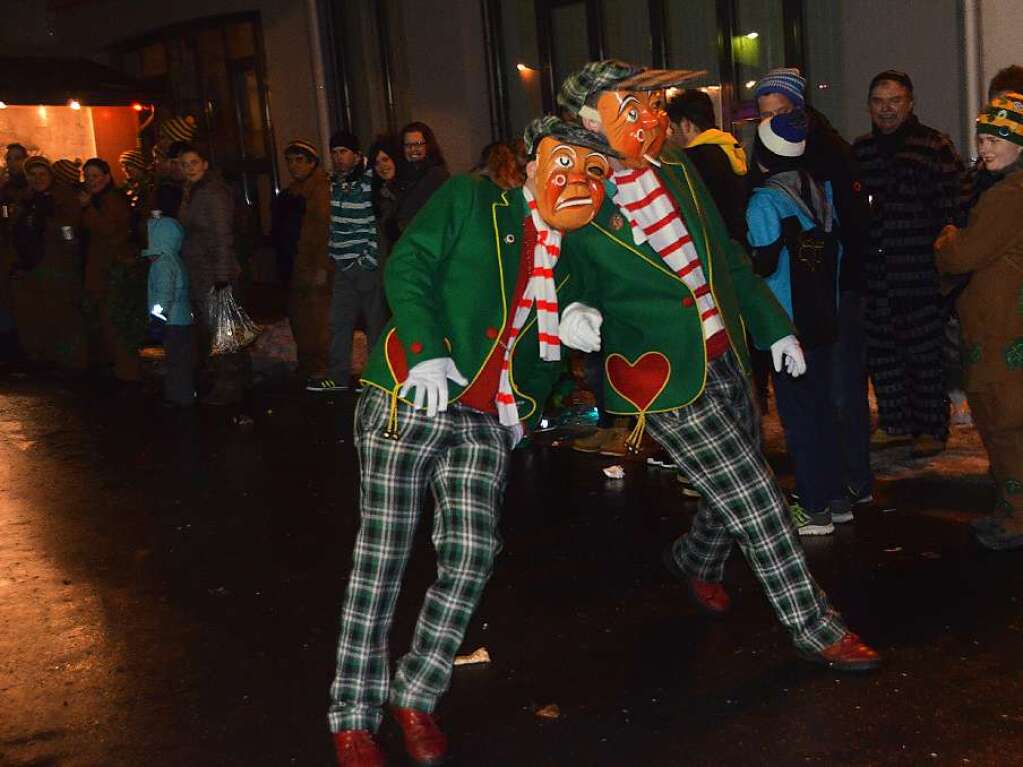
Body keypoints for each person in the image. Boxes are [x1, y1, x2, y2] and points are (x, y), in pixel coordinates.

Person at [556, 59, 881, 671]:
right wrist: (572, 303)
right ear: (588, 117)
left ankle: (693, 560)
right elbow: (557, 260)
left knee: (737, 476)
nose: (647, 110)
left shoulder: (676, 165)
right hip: (659, 370)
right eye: (630, 99)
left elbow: (727, 255)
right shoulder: (573, 184)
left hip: (722, 347)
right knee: (757, 495)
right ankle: (815, 626)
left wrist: (772, 327)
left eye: (648, 98)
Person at [328, 116, 617, 767]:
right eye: (565, 164)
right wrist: (426, 349)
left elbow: (539, 356)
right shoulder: (470, 199)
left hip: (485, 417)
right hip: (412, 391)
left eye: (592, 172)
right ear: (535, 162)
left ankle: (415, 693)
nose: (577, 180)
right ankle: (351, 715)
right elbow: (408, 263)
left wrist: (558, 340)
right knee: (383, 554)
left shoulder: (568, 254)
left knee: (472, 553)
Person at [755, 66, 874, 506]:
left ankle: (842, 486)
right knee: (823, 398)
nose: (771, 121)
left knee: (832, 397)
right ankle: (833, 490)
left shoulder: (827, 157)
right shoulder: (797, 166)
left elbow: (851, 228)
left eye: (779, 111)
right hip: (812, 298)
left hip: (833, 294)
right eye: (764, 114)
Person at [853, 70, 965, 457]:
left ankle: (931, 428)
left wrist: (944, 266)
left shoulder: (934, 146)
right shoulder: (861, 150)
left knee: (925, 357)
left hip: (919, 274)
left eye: (895, 101)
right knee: (883, 354)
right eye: (879, 101)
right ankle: (895, 422)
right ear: (869, 106)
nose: (886, 109)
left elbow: (955, 206)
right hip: (876, 273)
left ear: (910, 103)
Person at [746, 111, 847, 535]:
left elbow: (763, 263)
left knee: (799, 418)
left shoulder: (765, 199)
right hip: (825, 316)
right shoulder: (821, 189)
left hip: (785, 325)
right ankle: (837, 498)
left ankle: (813, 506)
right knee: (824, 410)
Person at [935, 93, 1023, 550]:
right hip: (1005, 329)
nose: (984, 149)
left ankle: (1016, 519)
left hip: (1002, 335)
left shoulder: (1008, 196)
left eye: (994, 140)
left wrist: (947, 238)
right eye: (982, 139)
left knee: (1005, 426)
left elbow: (962, 254)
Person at [307, 131, 386, 393]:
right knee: (339, 322)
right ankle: (338, 375)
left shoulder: (369, 180)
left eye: (343, 152)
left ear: (356, 154)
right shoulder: (336, 183)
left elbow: (375, 225)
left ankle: (376, 379)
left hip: (365, 266)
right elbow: (336, 225)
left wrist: (367, 260)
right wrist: (334, 255)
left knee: (375, 324)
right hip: (343, 266)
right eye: (334, 152)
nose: (338, 157)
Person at [177, 144, 247, 406]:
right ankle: (227, 382)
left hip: (213, 272)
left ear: (205, 164)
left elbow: (221, 236)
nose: (189, 168)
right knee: (217, 330)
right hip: (201, 270)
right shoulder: (192, 192)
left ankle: (230, 386)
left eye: (194, 162)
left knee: (222, 332)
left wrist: (221, 276)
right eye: (185, 164)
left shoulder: (212, 193)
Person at [10, 156, 87, 370]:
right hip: (32, 266)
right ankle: (47, 359)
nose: (38, 179)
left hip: (59, 265)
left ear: (51, 175)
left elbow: (70, 230)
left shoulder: (62, 198)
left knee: (64, 315)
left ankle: (72, 362)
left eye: (42, 174)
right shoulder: (25, 200)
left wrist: (50, 224)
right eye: (32, 175)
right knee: (39, 315)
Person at [274, 139, 333, 383]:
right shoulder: (293, 191)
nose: (293, 166)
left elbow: (324, 232)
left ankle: (322, 365)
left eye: (299, 160)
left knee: (318, 319)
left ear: (311, 163)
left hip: (313, 266)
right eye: (290, 161)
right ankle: (308, 363)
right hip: (294, 264)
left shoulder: (320, 190)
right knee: (301, 319)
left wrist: (322, 268)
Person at [79, 158, 141, 381]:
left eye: (95, 176)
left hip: (113, 270)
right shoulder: (98, 200)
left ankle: (126, 372)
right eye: (87, 176)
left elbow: (110, 231)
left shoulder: (113, 200)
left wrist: (88, 209)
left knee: (116, 321)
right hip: (101, 268)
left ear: (106, 177)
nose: (90, 181)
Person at [666, 88, 749, 242]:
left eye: (672, 128)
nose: (671, 137)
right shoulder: (728, 148)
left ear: (685, 125)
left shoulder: (692, 161)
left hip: (715, 249)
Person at [144, 215, 195, 407]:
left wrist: (158, 319)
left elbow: (164, 294)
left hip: (172, 321)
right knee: (181, 360)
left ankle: (180, 398)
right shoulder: (175, 260)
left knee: (175, 362)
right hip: (181, 320)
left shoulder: (162, 264)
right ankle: (184, 394)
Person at [394, 121, 449, 234]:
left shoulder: (436, 175)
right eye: (408, 145)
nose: (413, 149)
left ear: (428, 146)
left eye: (418, 144)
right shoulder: (401, 175)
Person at [368, 136, 405, 267]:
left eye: (385, 159)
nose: (382, 166)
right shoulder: (378, 197)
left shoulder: (409, 191)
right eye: (377, 163)